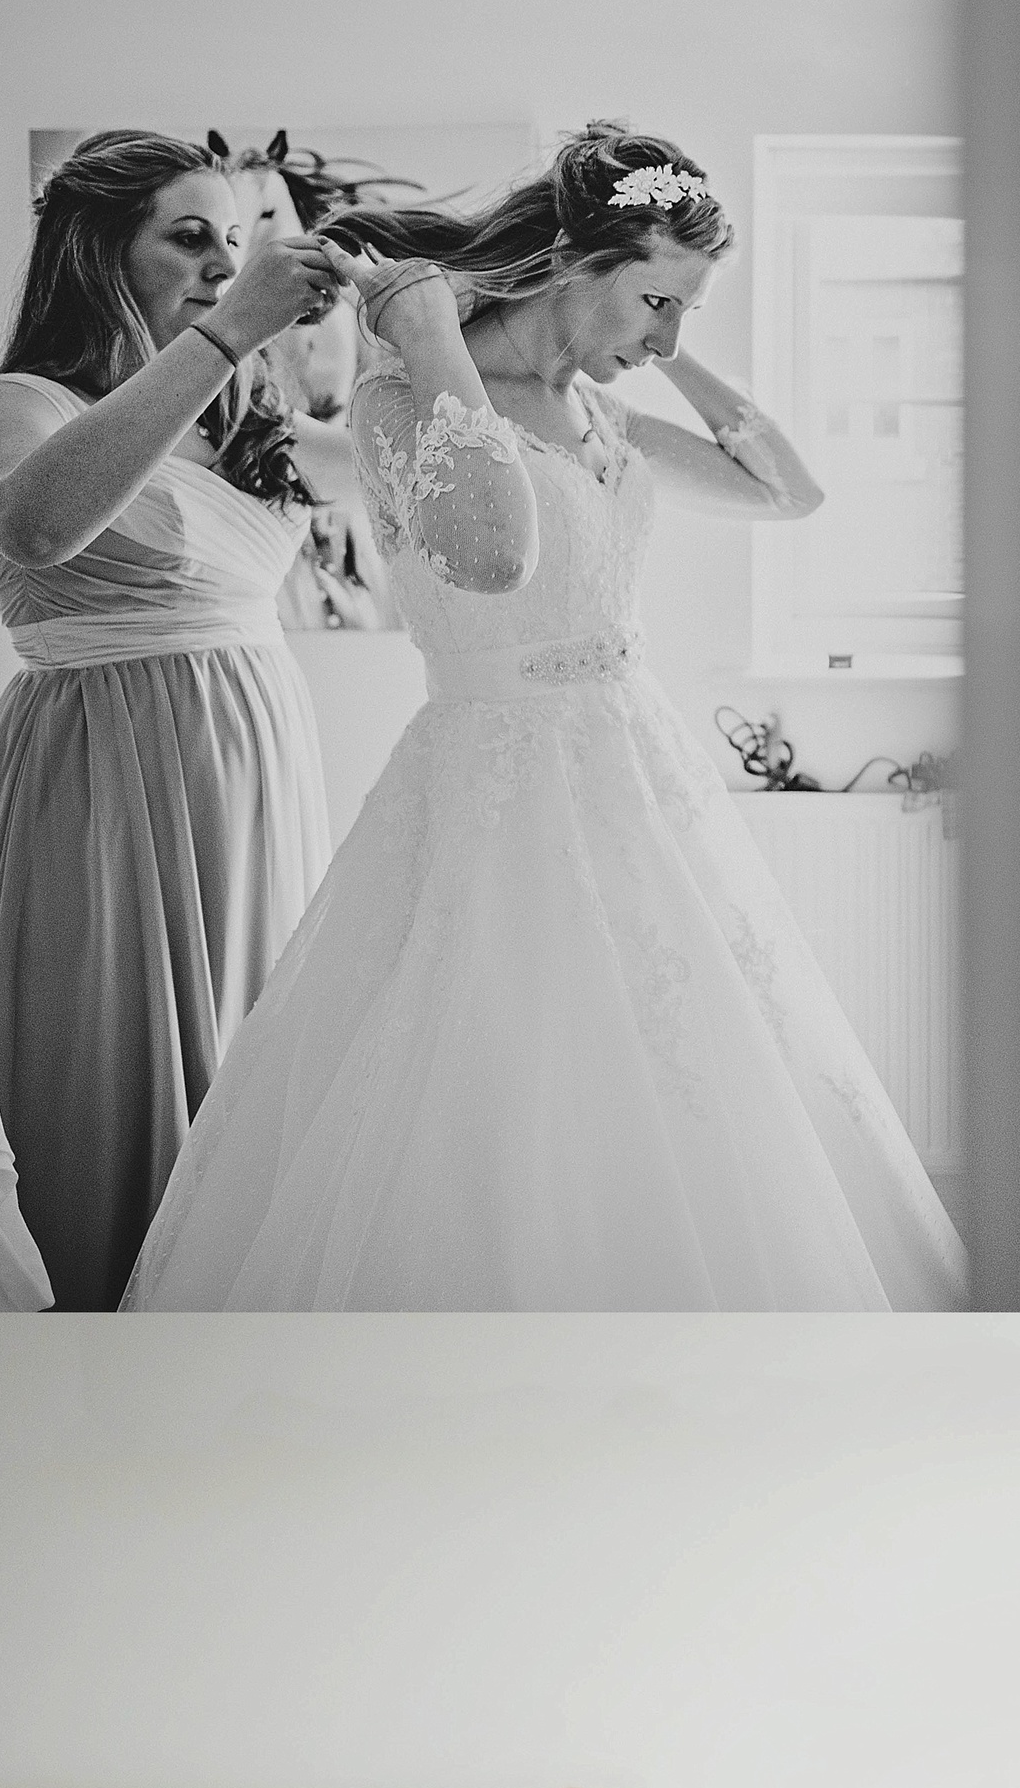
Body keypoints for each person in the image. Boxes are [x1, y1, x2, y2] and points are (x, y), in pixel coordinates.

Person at [121, 121, 967, 1309]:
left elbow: (790, 491)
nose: (668, 330)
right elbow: (494, 552)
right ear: (575, 264)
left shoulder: (602, 410)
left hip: (637, 778)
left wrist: (661, 345)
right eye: (655, 300)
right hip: (491, 791)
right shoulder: (403, 398)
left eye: (685, 309)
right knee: (503, 1091)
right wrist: (431, 339)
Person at [0, 131, 342, 1305]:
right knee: (95, 1079)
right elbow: (35, 524)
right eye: (190, 236)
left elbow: (428, 478)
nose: (226, 264)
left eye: (239, 239)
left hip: (254, 783)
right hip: (99, 781)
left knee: (245, 1089)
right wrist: (228, 339)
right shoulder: (15, 403)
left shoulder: (247, 436)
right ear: (98, 251)